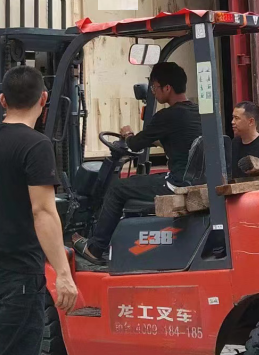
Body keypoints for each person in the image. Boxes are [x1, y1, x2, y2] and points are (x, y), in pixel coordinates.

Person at [0, 66, 79, 355]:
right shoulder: (36, 145)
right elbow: (43, 211)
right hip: (20, 273)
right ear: (44, 98)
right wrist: (63, 274)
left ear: (2, 100)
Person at [77, 62, 202, 264]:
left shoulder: (167, 116)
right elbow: (180, 139)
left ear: (167, 88)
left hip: (177, 183)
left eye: (154, 87)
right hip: (194, 180)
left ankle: (95, 248)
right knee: (139, 181)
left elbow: (134, 144)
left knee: (117, 188)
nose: (153, 91)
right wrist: (155, 140)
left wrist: (127, 135)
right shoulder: (197, 112)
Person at [229, 101, 259, 179]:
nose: (232, 122)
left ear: (251, 121)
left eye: (237, 118)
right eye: (233, 118)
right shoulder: (234, 143)